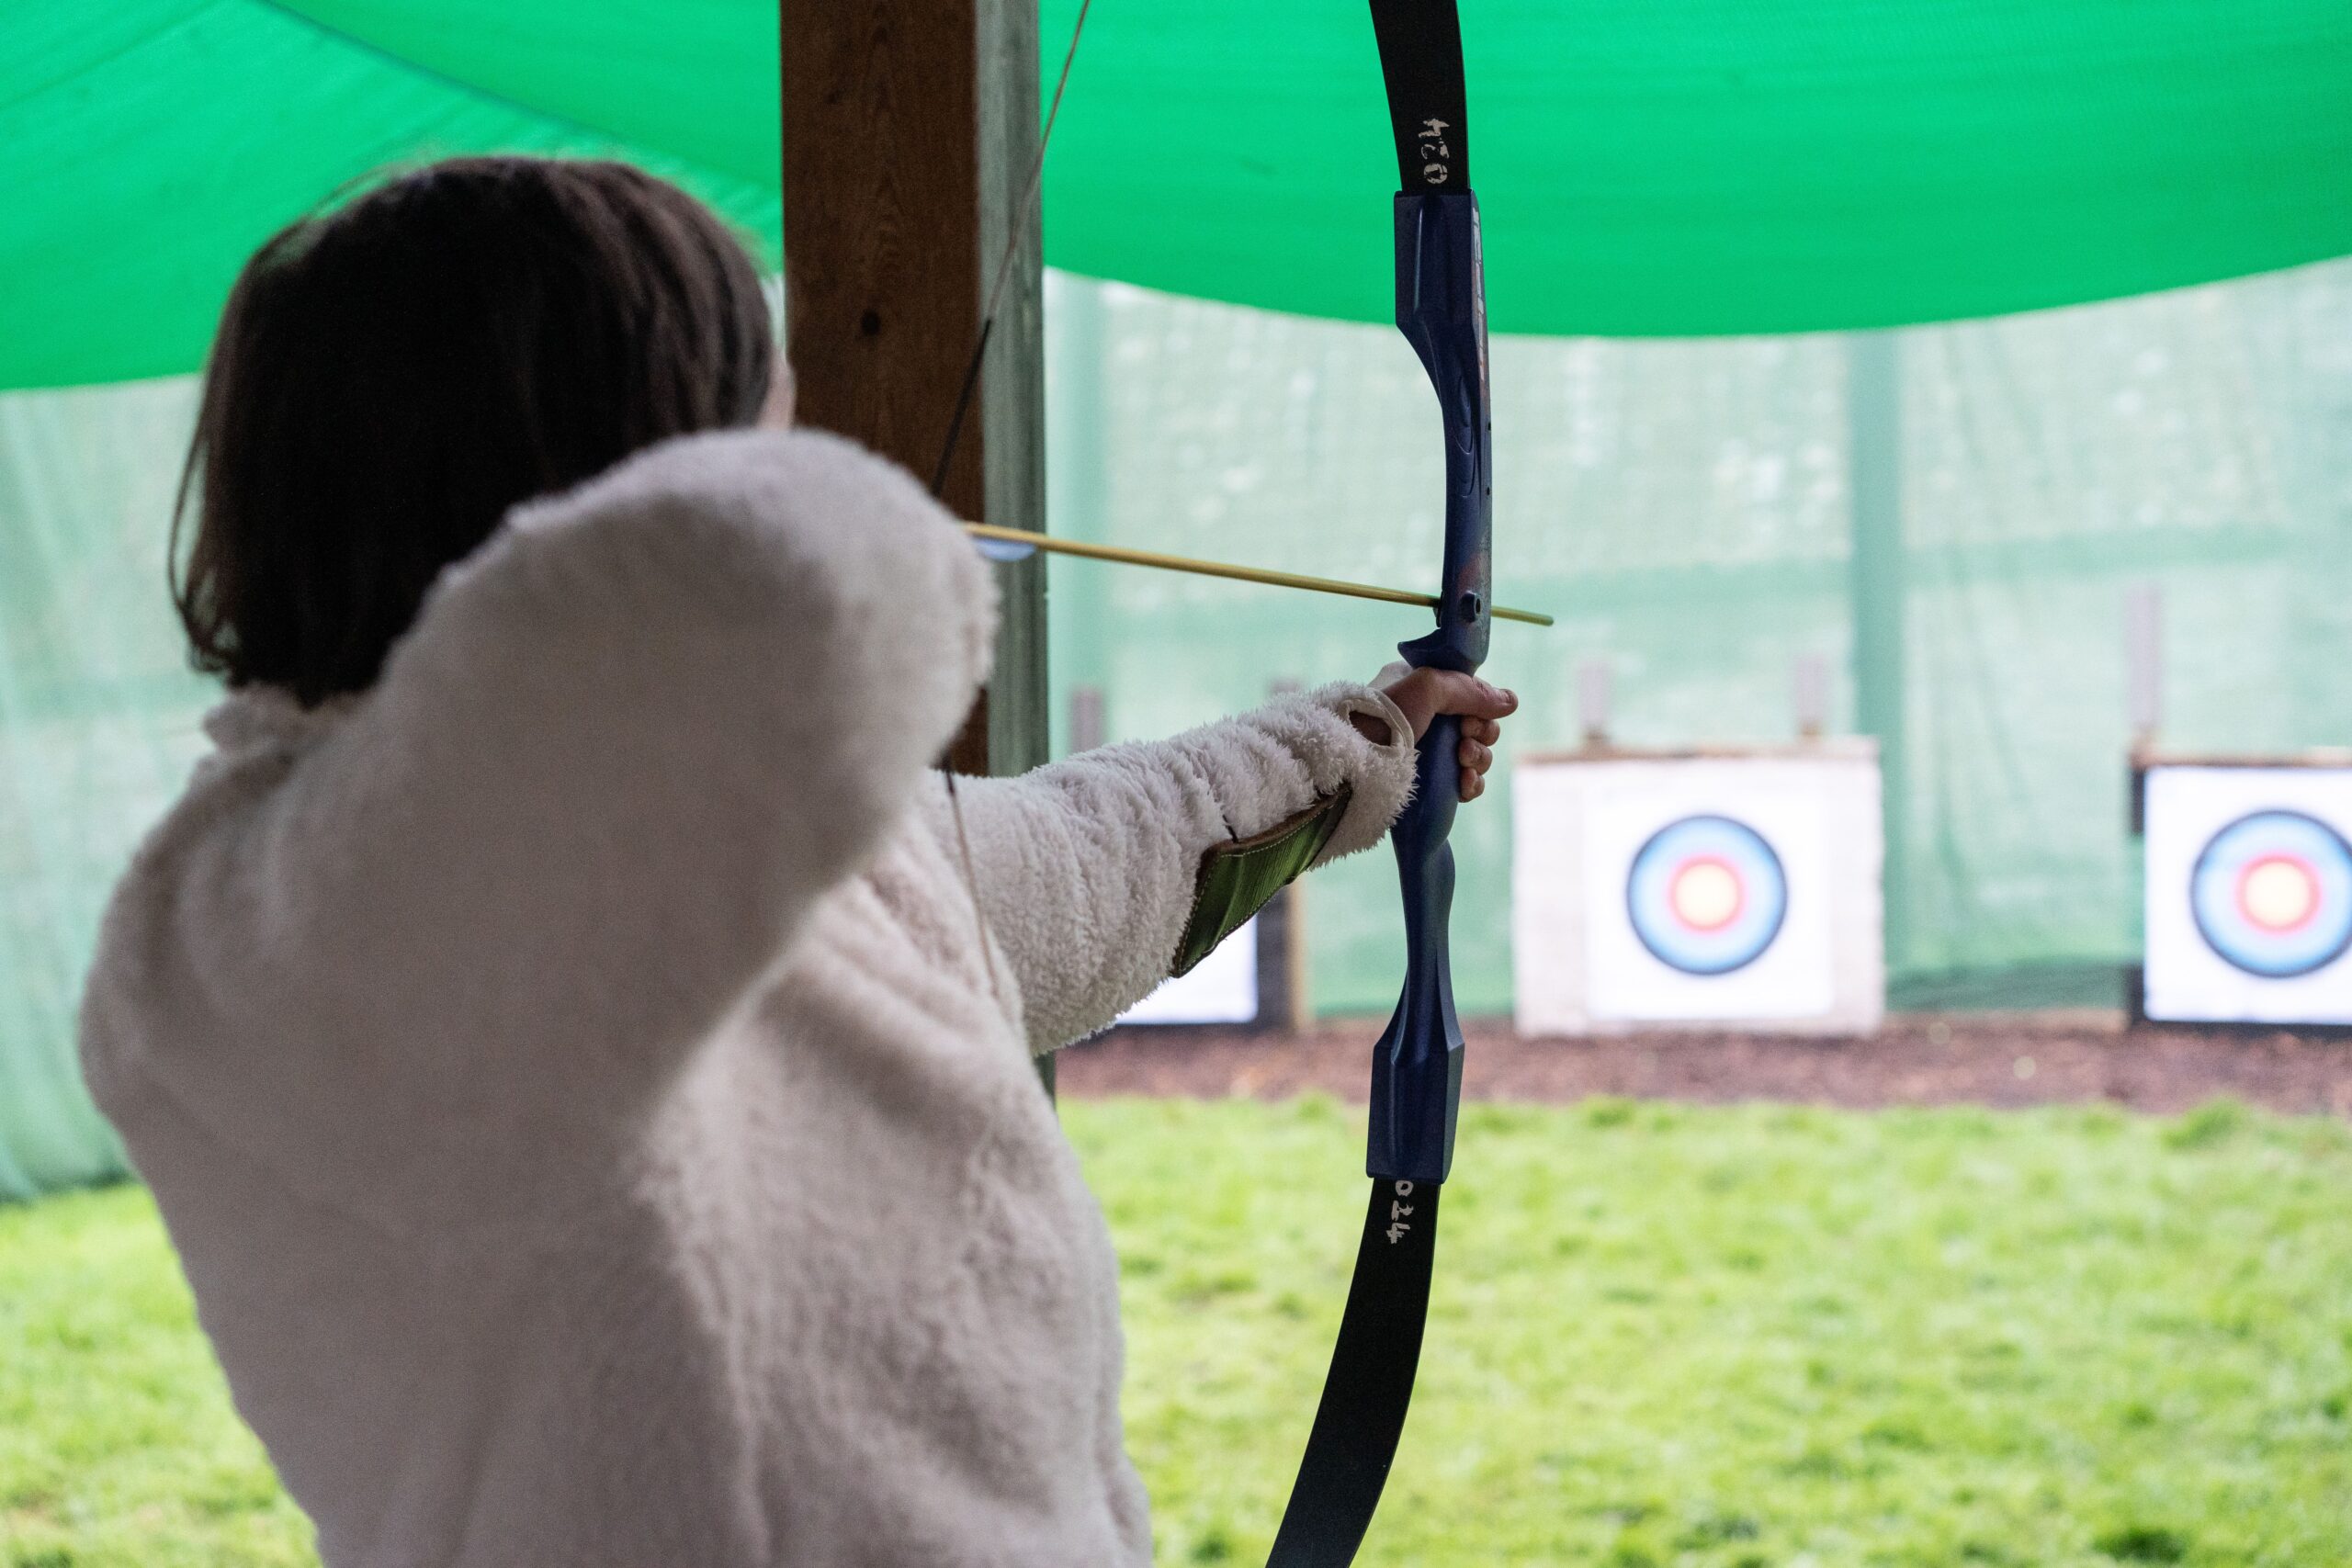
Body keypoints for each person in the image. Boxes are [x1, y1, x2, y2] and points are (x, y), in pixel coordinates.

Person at [79, 156, 1516, 1567]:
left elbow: (1098, 856)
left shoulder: (730, 819)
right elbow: (793, 588)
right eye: (750, 411)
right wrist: (767, 480)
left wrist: (1364, 742)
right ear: (613, 484)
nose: (796, 443)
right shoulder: (274, 913)